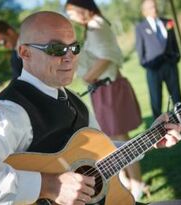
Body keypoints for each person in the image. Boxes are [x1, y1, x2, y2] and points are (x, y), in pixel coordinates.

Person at [0, 11, 181, 205]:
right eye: (56, 49)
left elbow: (100, 153)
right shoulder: (9, 112)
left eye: (74, 47)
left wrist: (150, 138)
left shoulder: (73, 99)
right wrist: (50, 185)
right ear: (25, 52)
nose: (69, 57)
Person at [64, 0, 151, 200]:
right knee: (112, 140)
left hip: (109, 87)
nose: (72, 17)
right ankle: (128, 182)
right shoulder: (92, 27)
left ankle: (137, 184)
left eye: (73, 12)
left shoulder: (96, 25)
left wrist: (88, 77)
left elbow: (107, 56)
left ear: (84, 7)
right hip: (103, 89)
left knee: (121, 139)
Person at [135, 0, 181, 120]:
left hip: (171, 65)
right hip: (153, 69)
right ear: (144, 11)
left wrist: (176, 57)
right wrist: (148, 65)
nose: (154, 9)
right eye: (150, 7)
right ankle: (158, 123)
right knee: (156, 99)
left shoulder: (167, 22)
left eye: (154, 6)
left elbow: (174, 42)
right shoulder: (140, 27)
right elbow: (141, 53)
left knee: (176, 95)